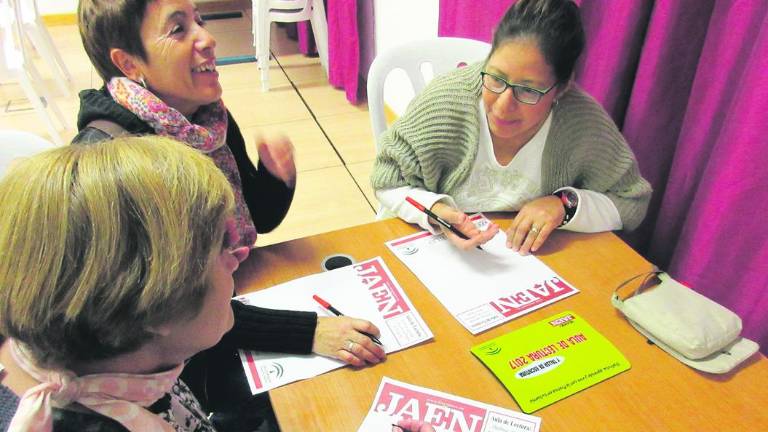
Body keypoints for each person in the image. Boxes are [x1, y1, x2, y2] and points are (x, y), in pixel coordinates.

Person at [74, 1, 386, 425]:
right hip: (171, 360)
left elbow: (254, 222)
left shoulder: (204, 119)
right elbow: (171, 312)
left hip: (223, 311)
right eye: (178, 29)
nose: (208, 38)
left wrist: (276, 180)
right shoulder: (116, 166)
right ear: (128, 62)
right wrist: (307, 331)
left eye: (199, 20)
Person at [371, 0, 652, 256]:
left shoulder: (581, 122)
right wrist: (437, 212)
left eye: (529, 90)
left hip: (523, 263)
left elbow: (631, 201)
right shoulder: (446, 102)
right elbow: (387, 181)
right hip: (431, 250)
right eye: (496, 78)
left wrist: (563, 205)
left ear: (561, 88)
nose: (503, 106)